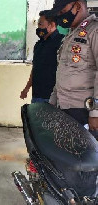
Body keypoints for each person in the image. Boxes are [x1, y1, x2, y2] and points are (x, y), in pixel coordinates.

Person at [48, 0, 98, 137]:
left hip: (84, 110)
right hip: (64, 107)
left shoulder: (94, 31)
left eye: (63, 12)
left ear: (77, 6)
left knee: (85, 156)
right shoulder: (71, 34)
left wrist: (95, 112)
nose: (61, 17)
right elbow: (63, 71)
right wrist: (52, 101)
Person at [20, 10, 64, 103]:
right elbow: (35, 68)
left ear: (51, 25)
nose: (38, 27)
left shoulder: (62, 42)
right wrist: (27, 88)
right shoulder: (39, 44)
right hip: (37, 94)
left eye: (41, 24)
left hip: (52, 96)